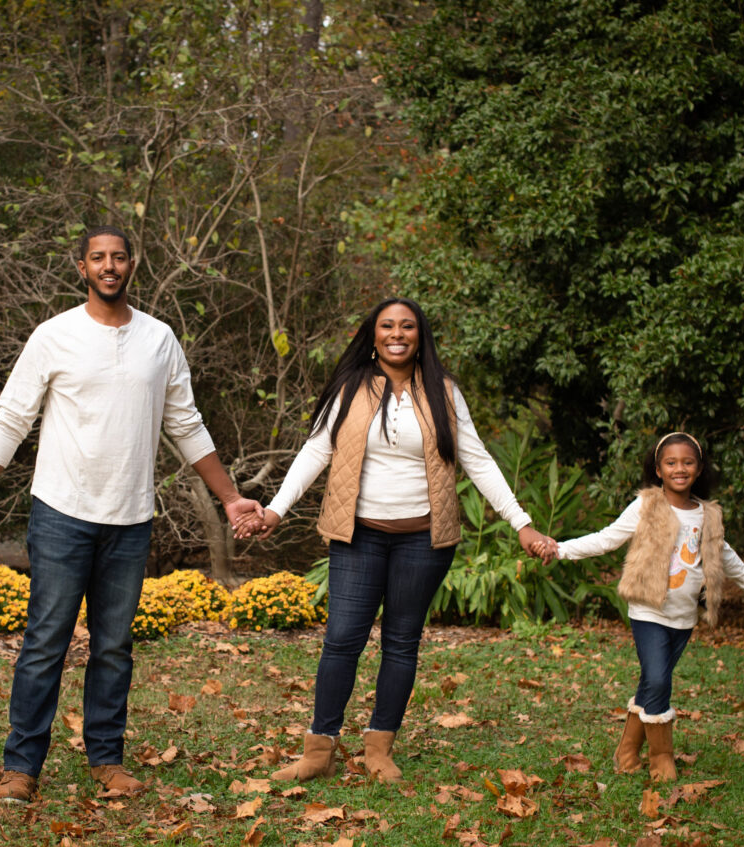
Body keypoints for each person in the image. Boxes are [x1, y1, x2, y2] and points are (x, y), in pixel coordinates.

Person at [0, 226, 263, 804]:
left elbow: (186, 424)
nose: (109, 265)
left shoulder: (159, 339)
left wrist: (229, 498)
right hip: (61, 514)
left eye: (119, 257)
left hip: (129, 519)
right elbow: (11, 420)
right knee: (46, 641)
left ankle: (107, 759)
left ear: (132, 265)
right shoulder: (54, 336)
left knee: (114, 646)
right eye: (98, 258)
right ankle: (21, 767)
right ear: (82, 268)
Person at [235, 298, 555, 783]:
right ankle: (318, 751)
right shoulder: (351, 387)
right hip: (358, 536)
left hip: (423, 542)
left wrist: (521, 522)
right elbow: (316, 449)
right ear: (374, 333)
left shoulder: (444, 392)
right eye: (387, 326)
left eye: (407, 326)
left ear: (420, 335)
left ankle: (379, 750)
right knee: (342, 640)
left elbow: (478, 458)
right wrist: (276, 509)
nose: (397, 333)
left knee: (402, 643)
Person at [540, 431, 744, 782]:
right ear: (658, 470)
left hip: (684, 616)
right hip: (649, 610)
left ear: (700, 468)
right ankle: (661, 755)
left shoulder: (707, 515)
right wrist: (562, 549)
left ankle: (626, 750)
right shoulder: (648, 506)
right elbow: (607, 538)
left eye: (688, 462)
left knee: (653, 681)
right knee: (660, 679)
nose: (680, 468)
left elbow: (727, 556)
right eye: (671, 462)